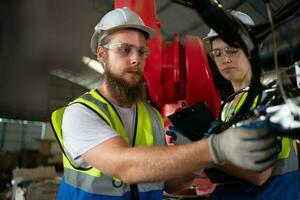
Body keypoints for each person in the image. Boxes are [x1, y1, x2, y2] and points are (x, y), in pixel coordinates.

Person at [51, 7, 279, 200]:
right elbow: (126, 167)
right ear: (101, 54)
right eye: (124, 49)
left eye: (142, 51)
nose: (135, 59)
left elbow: (170, 184)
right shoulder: (81, 112)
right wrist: (212, 148)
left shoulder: (150, 116)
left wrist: (191, 158)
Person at [204, 10, 299, 200]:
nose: (225, 59)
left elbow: (259, 174)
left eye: (232, 50)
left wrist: (201, 151)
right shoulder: (228, 108)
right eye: (217, 53)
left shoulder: (271, 100)